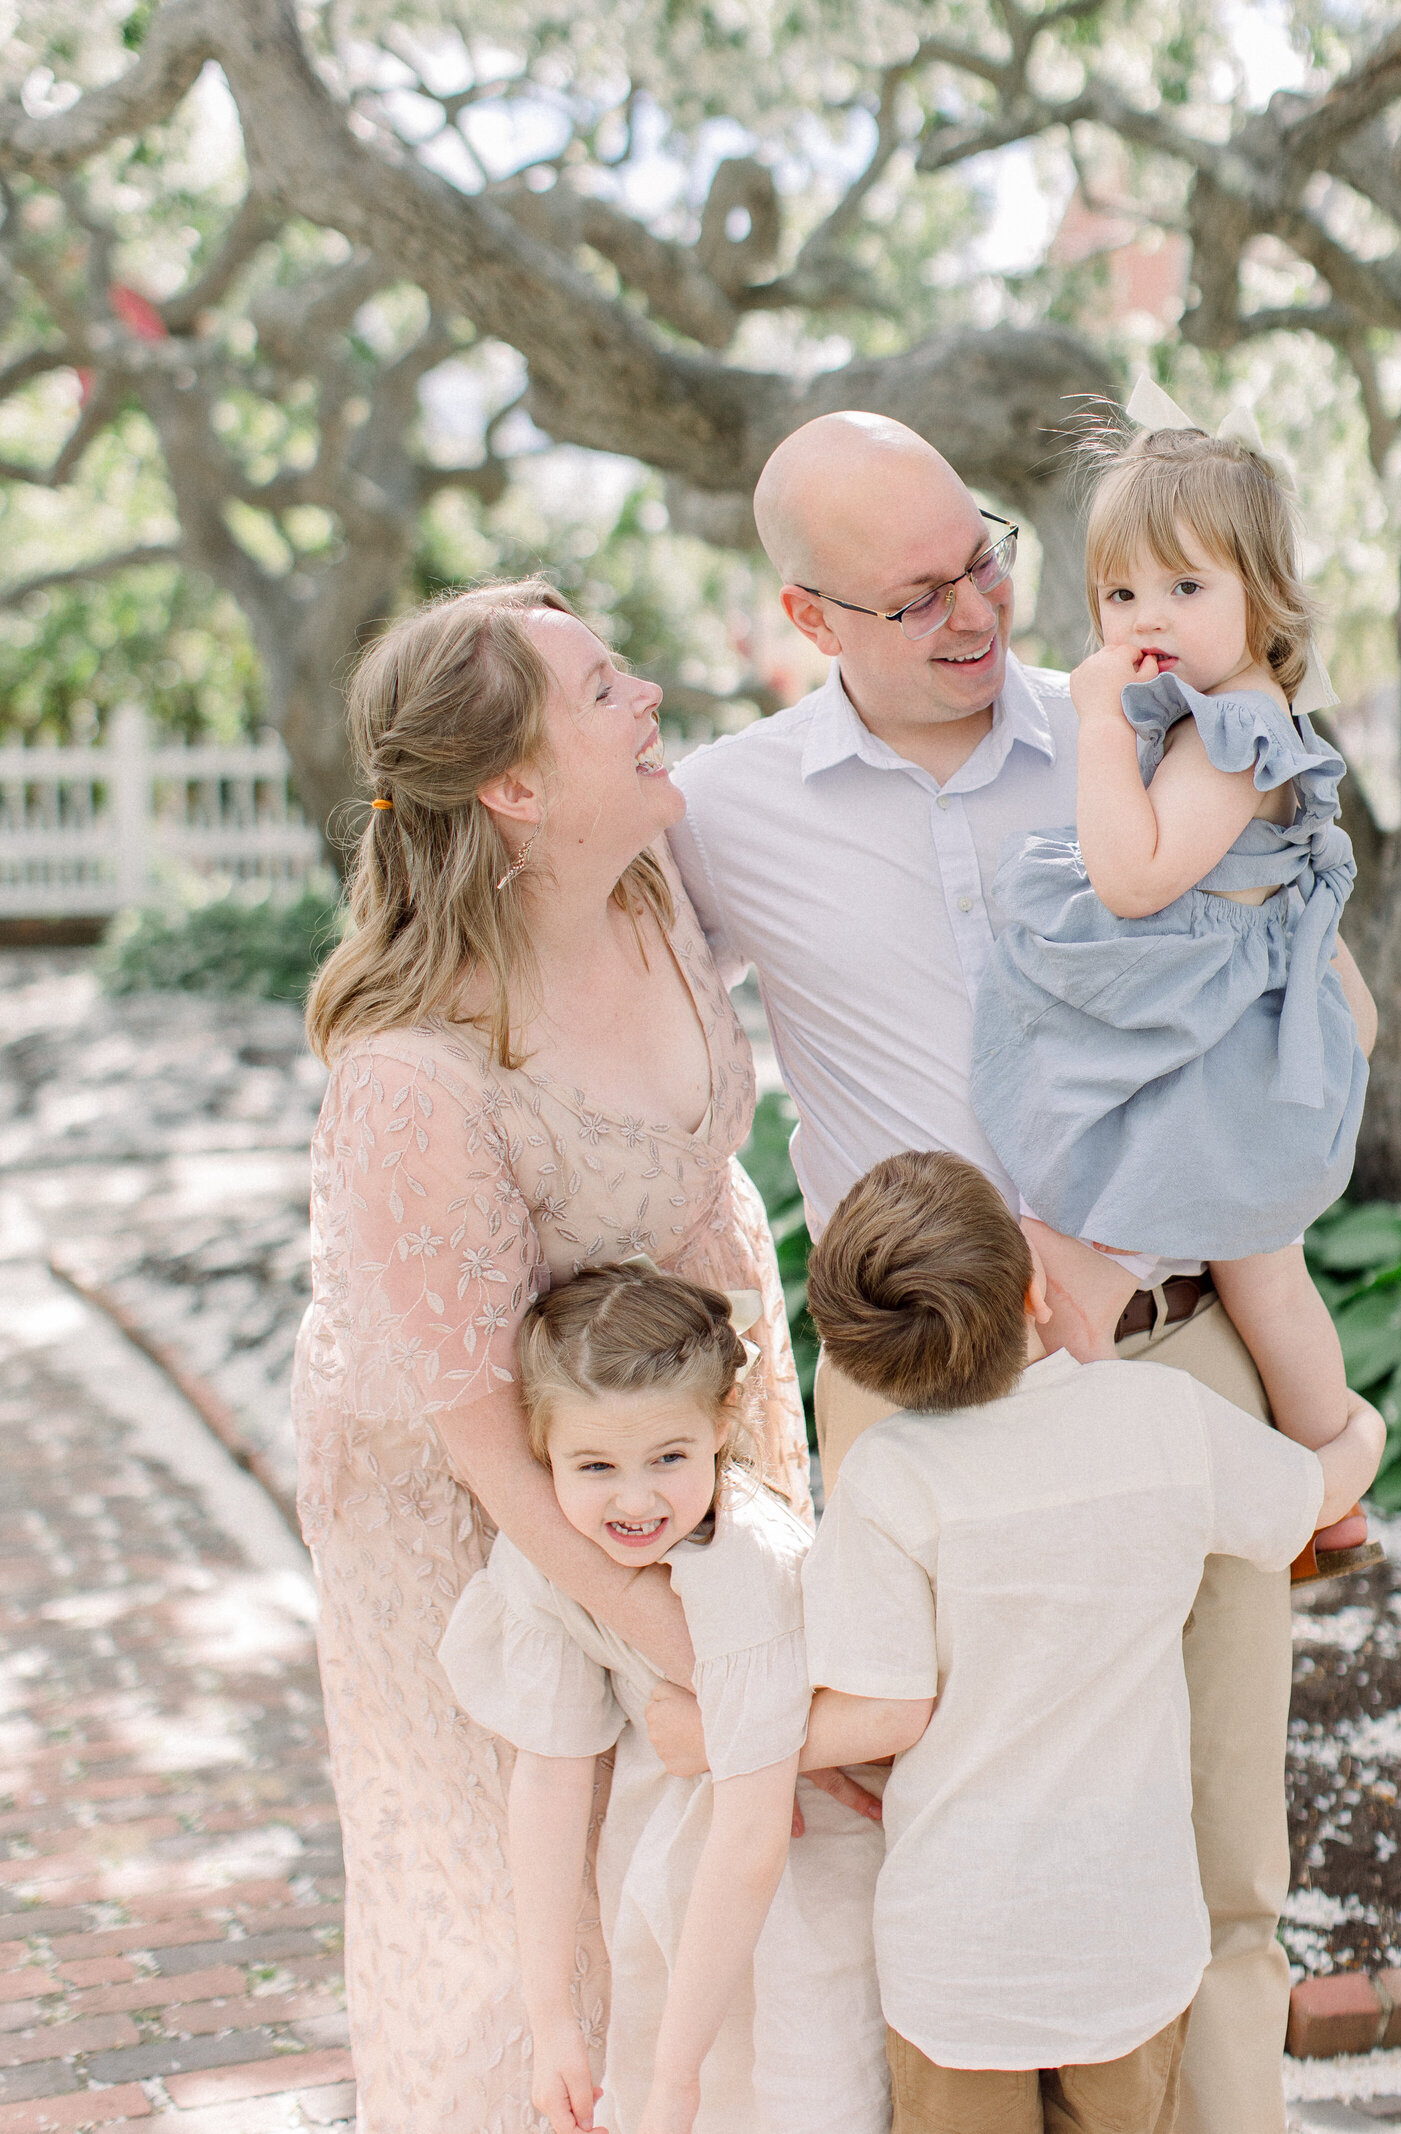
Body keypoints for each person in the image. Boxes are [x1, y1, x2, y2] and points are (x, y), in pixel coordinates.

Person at [667, 411, 1377, 2134]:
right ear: (809, 617)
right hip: (919, 1394)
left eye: (981, 551)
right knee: (956, 1804)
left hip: (1169, 1345)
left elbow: (1326, 995)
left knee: (1214, 1843)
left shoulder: (1136, 725)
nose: (979, 606)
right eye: (914, 596)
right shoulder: (721, 810)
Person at [293, 578, 809, 2132]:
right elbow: (483, 1446)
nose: (648, 697)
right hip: (463, 1495)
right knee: (518, 1905)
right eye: (603, 692)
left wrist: (752, 1492)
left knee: (700, 1832)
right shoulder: (417, 1074)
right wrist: (662, 1623)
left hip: (668, 1390)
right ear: (515, 790)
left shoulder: (651, 884)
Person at [799, 1150, 1386, 2134]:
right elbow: (1312, 1496)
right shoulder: (1158, 1420)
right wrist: (1359, 1428)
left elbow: (888, 1712)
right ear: (1036, 1286)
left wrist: (741, 1737)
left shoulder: (888, 1479)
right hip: (1129, 1943)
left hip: (959, 1957)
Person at [970, 416, 1376, 1580]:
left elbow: (1137, 876)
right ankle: (1328, 1492)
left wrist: (1097, 723)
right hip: (1216, 1028)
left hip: (1215, 1053)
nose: (1144, 619)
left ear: (1265, 595)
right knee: (1258, 1262)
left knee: (1159, 1220)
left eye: (1184, 585)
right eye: (1118, 592)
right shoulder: (1222, 717)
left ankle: (1329, 1460)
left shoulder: (1234, 732)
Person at [438, 1265, 888, 2134]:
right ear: (542, 1452)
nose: (635, 1499)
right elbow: (551, 1776)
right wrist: (552, 2021)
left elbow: (753, 1839)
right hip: (663, 1862)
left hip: (788, 1881)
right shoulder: (547, 1557)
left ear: (722, 1428)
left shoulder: (744, 1569)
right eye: (595, 1464)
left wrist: (674, 2083)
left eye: (669, 1459)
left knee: (790, 2089)